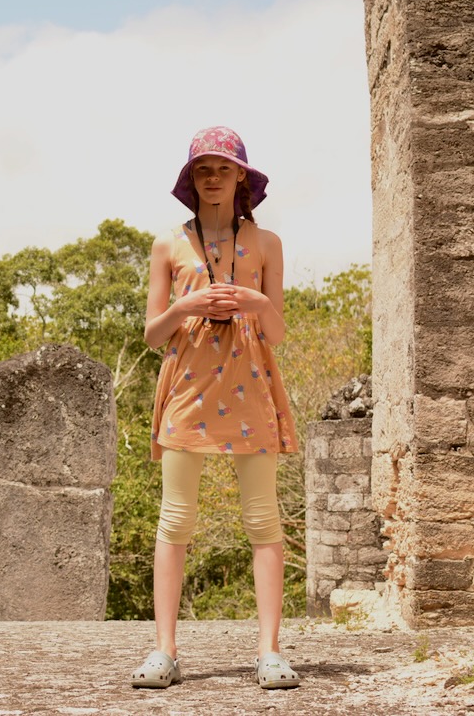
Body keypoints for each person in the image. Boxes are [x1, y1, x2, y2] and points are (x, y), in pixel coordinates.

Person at [129, 126, 300, 691]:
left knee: (262, 518)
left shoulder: (268, 243)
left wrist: (251, 300)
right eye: (203, 170)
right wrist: (190, 303)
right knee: (175, 519)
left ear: (241, 178)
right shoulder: (168, 244)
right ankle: (164, 651)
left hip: (251, 382)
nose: (212, 179)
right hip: (188, 383)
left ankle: (270, 651)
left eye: (223, 169)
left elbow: (276, 331)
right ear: (191, 180)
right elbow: (153, 335)